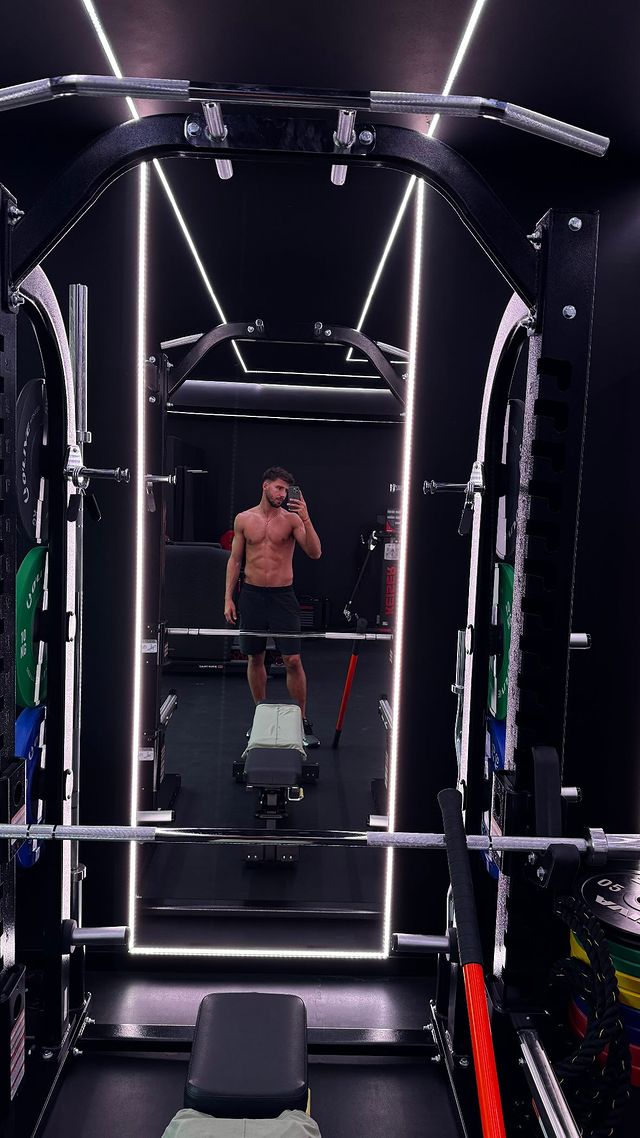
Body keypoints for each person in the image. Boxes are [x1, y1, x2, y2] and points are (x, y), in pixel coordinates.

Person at [224, 466, 322, 745]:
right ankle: (261, 716)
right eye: (278, 488)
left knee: (293, 660)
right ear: (265, 486)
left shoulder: (292, 520)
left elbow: (315, 552)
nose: (282, 494)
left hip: (282, 597)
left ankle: (301, 720)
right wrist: (228, 597)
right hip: (252, 595)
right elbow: (235, 560)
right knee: (254, 657)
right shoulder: (244, 519)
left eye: (286, 490)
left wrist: (306, 518)